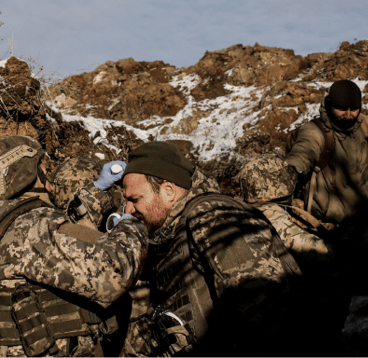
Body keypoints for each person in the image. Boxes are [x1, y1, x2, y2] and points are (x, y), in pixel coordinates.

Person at [0, 137, 146, 358]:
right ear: (24, 176)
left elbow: (63, 235)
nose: (50, 183)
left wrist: (96, 190)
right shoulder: (32, 226)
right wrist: (131, 225)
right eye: (43, 171)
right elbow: (114, 274)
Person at [120, 141, 301, 357]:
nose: (128, 210)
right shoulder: (173, 232)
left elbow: (263, 306)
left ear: (168, 190)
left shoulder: (213, 216)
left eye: (135, 199)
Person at [284, 79, 368, 332]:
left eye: (354, 109)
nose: (349, 115)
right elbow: (303, 153)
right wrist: (292, 171)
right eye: (342, 109)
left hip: (366, 222)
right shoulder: (315, 131)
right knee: (334, 295)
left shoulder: (366, 126)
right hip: (330, 229)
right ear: (329, 106)